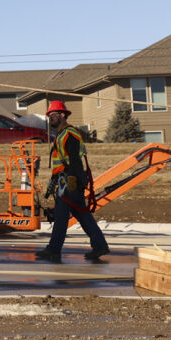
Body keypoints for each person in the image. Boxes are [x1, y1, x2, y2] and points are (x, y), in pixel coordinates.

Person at [33, 100, 109, 263]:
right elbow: (63, 160)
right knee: (81, 213)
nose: (51, 118)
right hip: (66, 179)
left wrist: (73, 179)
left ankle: (53, 250)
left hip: (70, 180)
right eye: (49, 116)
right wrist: (55, 178)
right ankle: (100, 245)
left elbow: (74, 159)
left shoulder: (69, 134)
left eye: (53, 115)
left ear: (62, 115)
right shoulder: (61, 135)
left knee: (62, 215)